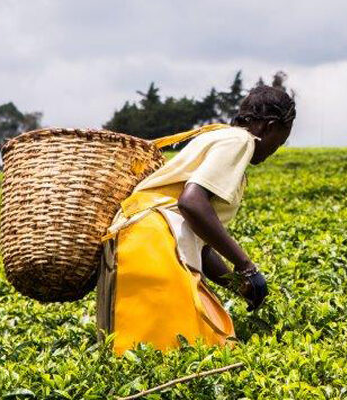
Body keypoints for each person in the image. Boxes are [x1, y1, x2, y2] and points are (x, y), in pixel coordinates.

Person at [97, 85, 296, 354]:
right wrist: (247, 266)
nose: (275, 150)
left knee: (135, 351)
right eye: (279, 142)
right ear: (269, 127)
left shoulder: (219, 137)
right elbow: (191, 203)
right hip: (155, 242)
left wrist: (238, 285)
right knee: (197, 347)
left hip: (134, 241)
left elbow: (199, 242)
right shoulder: (240, 141)